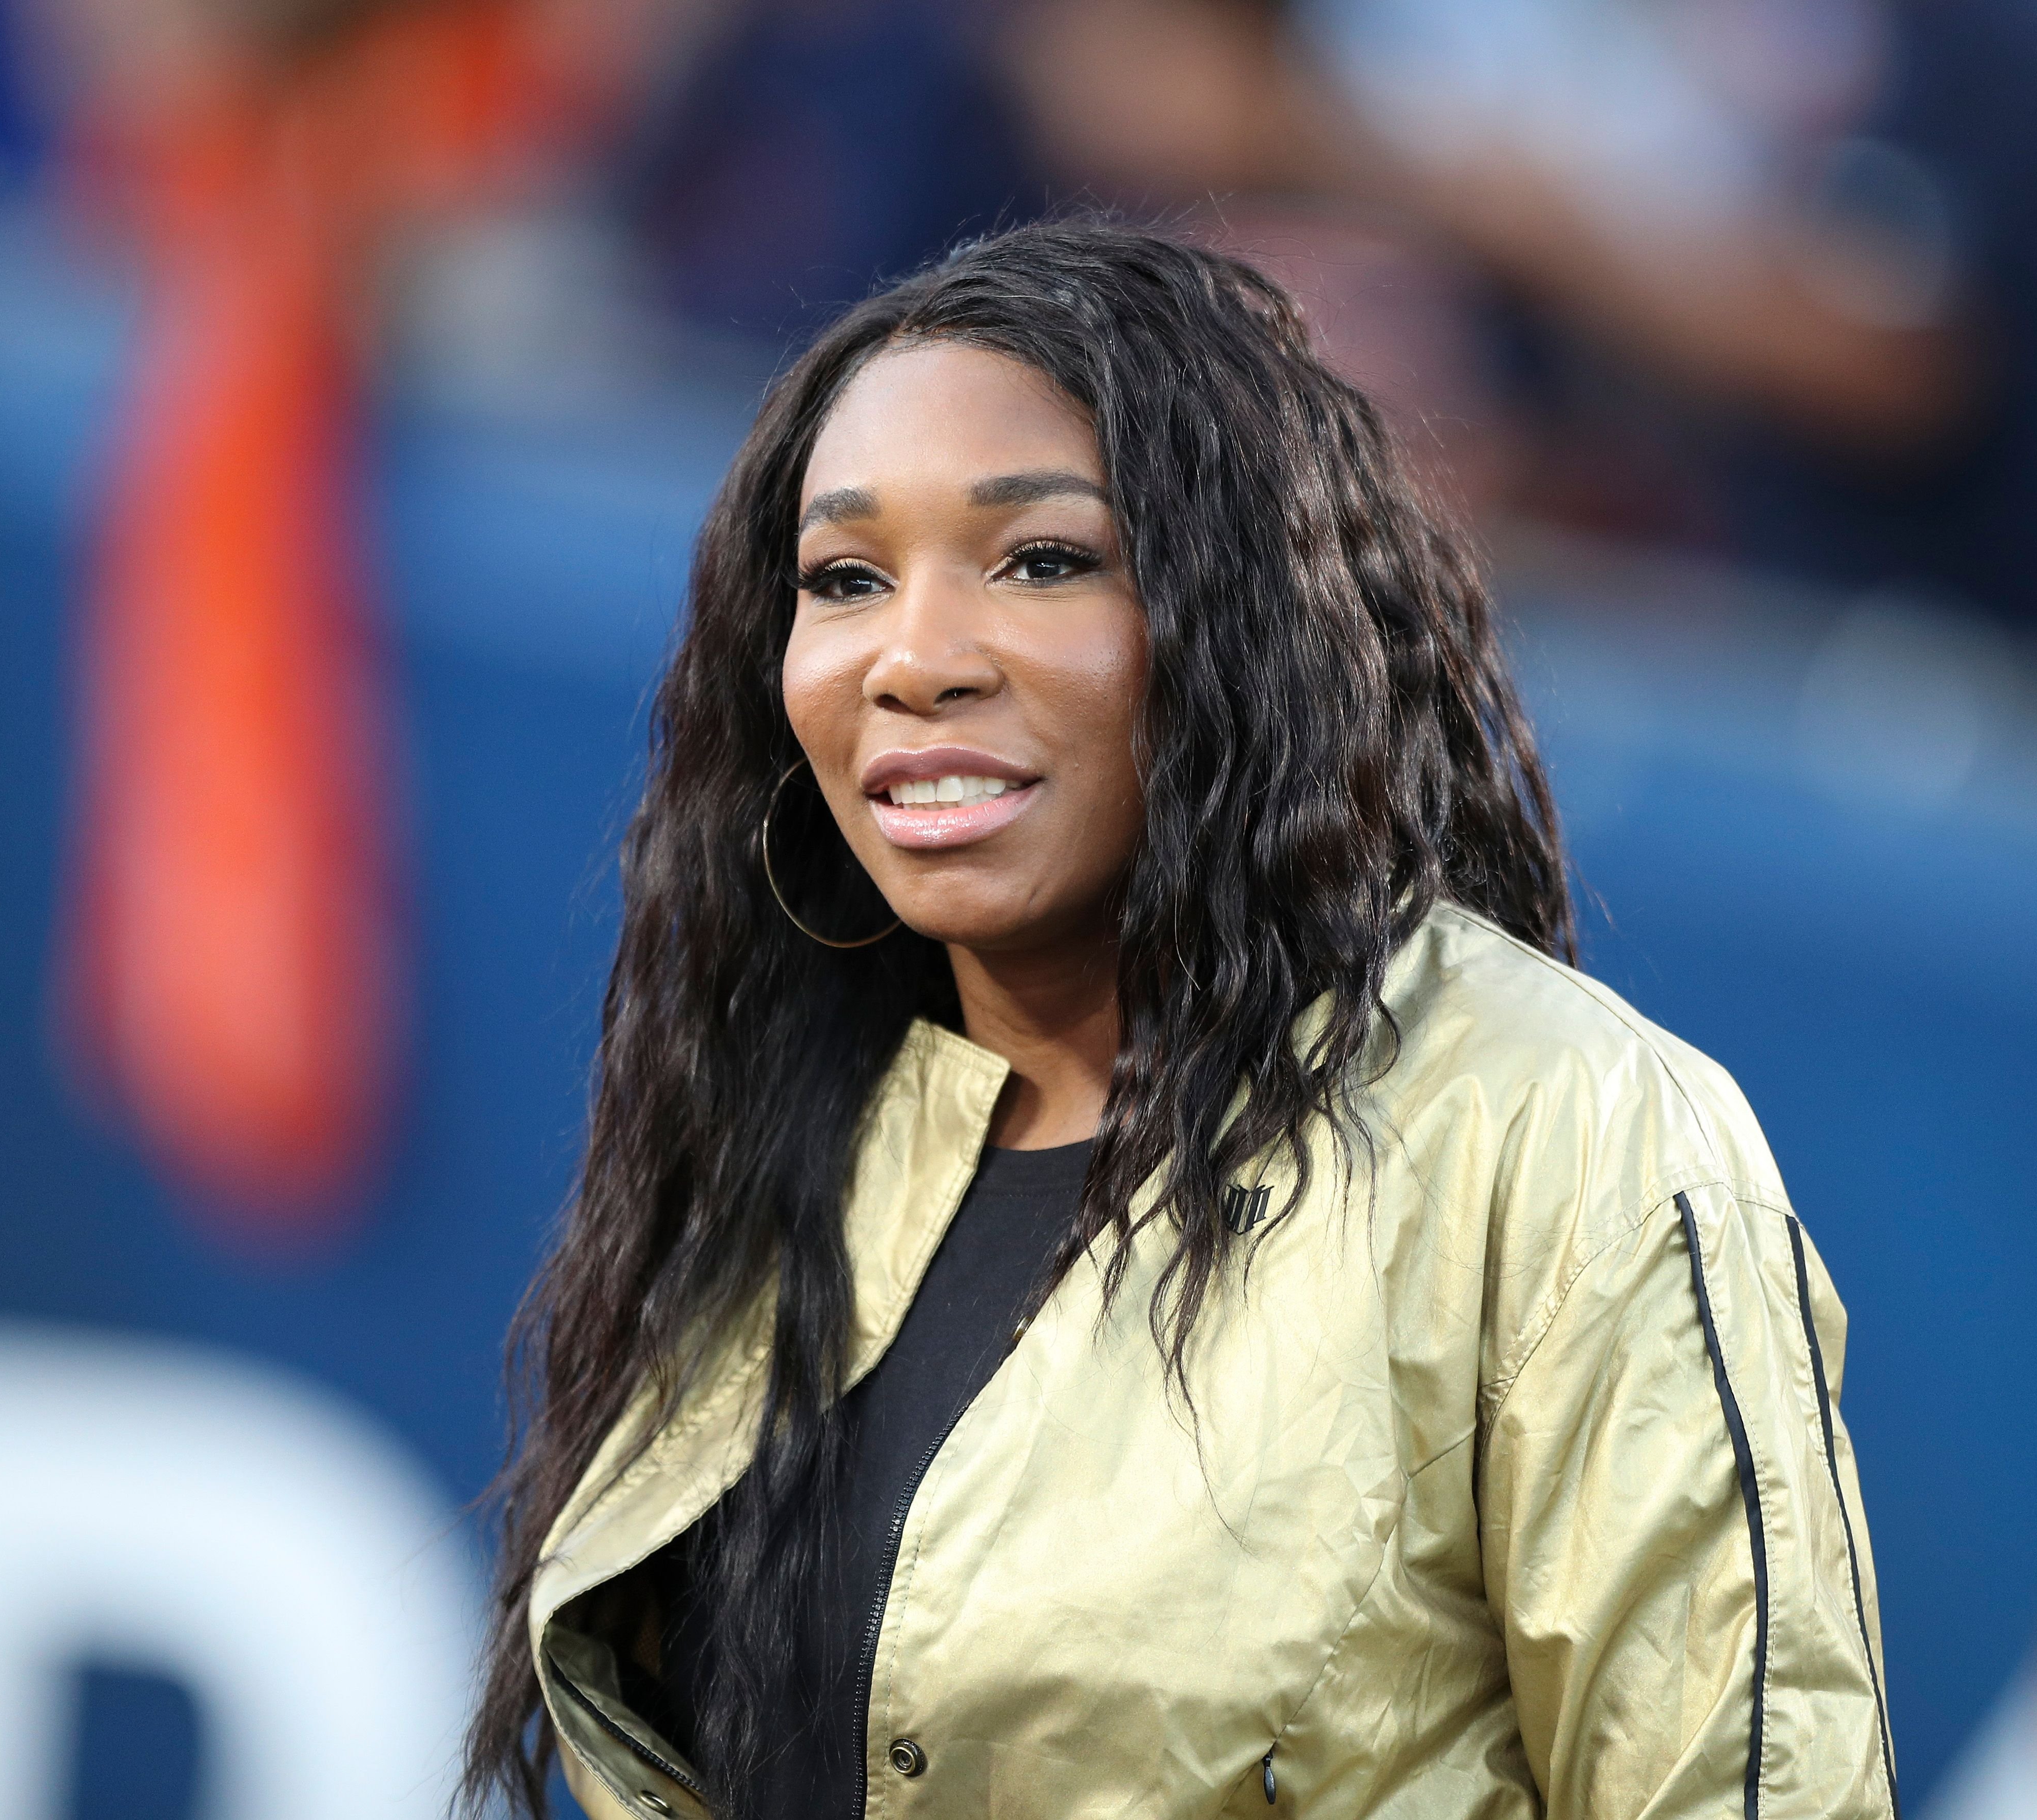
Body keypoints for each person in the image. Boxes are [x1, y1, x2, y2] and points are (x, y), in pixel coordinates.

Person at [462, 220, 1896, 1819]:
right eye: (846, 579)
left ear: (1240, 613)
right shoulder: (789, 1127)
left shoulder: (1558, 1118)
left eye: (1043, 560)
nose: (915, 658)